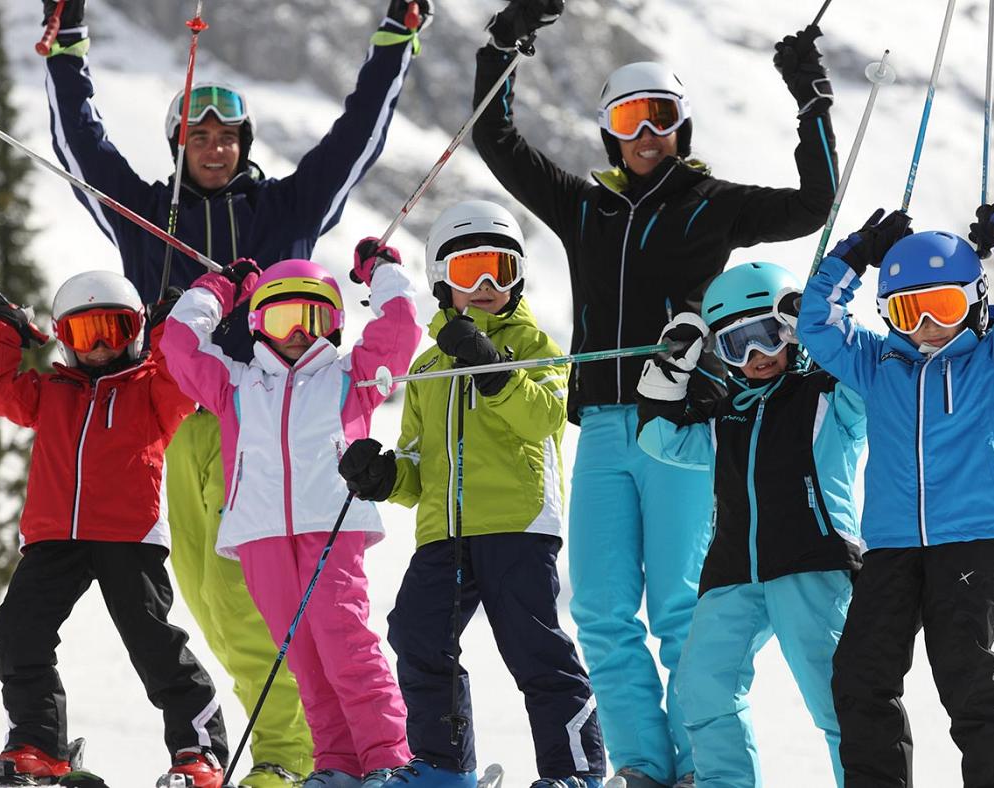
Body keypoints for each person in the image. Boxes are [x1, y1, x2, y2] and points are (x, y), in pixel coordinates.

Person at [42, 2, 431, 782]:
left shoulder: (286, 208)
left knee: (251, 594)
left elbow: (356, 138)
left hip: (260, 417)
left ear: (244, 144)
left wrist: (393, 44)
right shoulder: (146, 214)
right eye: (198, 136)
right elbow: (83, 148)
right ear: (180, 145)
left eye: (227, 136)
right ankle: (311, 754)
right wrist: (65, 54)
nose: (215, 148)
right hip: (172, 416)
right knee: (207, 593)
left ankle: (289, 756)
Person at [471, 3, 839, 785]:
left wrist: (812, 101)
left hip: (683, 427)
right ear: (610, 130)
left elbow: (814, 206)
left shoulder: (714, 204)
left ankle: (706, 769)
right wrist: (504, 45)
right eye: (630, 119)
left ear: (682, 127)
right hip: (602, 431)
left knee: (680, 614)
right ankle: (642, 766)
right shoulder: (587, 209)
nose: (646, 135)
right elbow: (496, 142)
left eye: (662, 118)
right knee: (602, 615)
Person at [337, 201, 606, 788]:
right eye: (468, 272)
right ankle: (441, 766)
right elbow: (417, 461)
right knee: (416, 631)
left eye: (500, 270)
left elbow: (545, 420)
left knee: (534, 647)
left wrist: (493, 370)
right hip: (444, 532)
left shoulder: (537, 345)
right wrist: (384, 476)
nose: (485, 286)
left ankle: (575, 772)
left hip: (517, 525)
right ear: (441, 281)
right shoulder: (430, 364)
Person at [796, 205, 994, 787]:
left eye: (942, 306)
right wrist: (856, 254)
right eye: (906, 310)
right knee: (860, 674)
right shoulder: (879, 363)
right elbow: (815, 322)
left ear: (973, 300)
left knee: (964, 672)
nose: (926, 327)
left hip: (970, 537)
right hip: (893, 544)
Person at [160, 243, 422, 788]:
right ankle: (337, 765)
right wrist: (219, 290)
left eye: (314, 317)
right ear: (258, 325)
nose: (299, 332)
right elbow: (179, 345)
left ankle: (388, 760)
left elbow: (401, 326)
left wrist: (380, 271)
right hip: (258, 532)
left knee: (344, 642)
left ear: (334, 324)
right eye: (283, 318)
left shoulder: (351, 377)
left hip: (331, 523)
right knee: (300, 657)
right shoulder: (234, 384)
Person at [0, 272, 228, 788]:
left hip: (128, 536)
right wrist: (3, 332)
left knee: (154, 644)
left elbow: (182, 371)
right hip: (54, 538)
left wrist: (167, 327)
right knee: (17, 632)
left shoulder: (154, 388)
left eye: (115, 327)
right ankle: (37, 745)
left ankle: (199, 753)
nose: (103, 345)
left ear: (134, 329)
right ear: (65, 338)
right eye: (88, 334)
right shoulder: (50, 393)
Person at [635, 263, 865, 788]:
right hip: (734, 571)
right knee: (703, 687)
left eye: (768, 334)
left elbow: (871, 375)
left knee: (840, 696)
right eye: (736, 344)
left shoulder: (830, 397)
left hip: (814, 562)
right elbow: (658, 439)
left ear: (791, 330)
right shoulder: (724, 419)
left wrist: (819, 321)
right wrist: (671, 368)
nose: (756, 356)